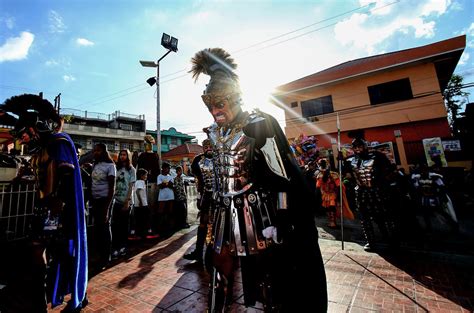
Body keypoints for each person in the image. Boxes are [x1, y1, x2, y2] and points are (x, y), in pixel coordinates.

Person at [190, 48, 327, 312]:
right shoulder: (215, 133)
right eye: (210, 104)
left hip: (259, 215)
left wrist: (283, 219)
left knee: (270, 282)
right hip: (222, 215)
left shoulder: (259, 123)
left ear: (235, 98)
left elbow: (283, 179)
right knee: (219, 274)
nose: (215, 110)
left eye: (220, 103)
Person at [0, 94, 88, 312]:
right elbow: (40, 176)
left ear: (35, 127)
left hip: (60, 209)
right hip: (44, 207)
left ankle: (77, 294)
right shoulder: (40, 150)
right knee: (42, 251)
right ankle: (43, 296)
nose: (22, 140)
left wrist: (59, 202)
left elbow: (67, 173)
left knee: (61, 253)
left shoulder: (59, 143)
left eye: (23, 134)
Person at [345, 130, 396, 251]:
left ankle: (392, 240)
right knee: (364, 218)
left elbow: (390, 171)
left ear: (365, 145)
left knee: (383, 217)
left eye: (360, 145)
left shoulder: (378, 156)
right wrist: (341, 163)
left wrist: (382, 182)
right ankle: (371, 241)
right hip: (361, 192)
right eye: (355, 146)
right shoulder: (350, 160)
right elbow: (348, 177)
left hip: (377, 191)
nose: (357, 148)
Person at [183, 139, 215, 264]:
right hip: (206, 195)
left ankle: (220, 252)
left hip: (221, 196)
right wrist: (198, 197)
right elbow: (198, 182)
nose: (208, 148)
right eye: (205, 146)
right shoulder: (198, 160)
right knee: (203, 223)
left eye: (210, 146)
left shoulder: (221, 158)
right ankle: (198, 252)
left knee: (220, 224)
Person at [90, 143, 116, 270]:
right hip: (95, 200)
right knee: (97, 228)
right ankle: (98, 255)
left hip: (106, 201)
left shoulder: (111, 166)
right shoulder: (95, 164)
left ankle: (106, 258)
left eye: (98, 151)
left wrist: (106, 208)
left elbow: (112, 188)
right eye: (94, 151)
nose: (95, 153)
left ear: (104, 152)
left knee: (105, 228)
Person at [111, 149, 136, 258]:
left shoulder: (131, 170)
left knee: (124, 226)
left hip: (126, 201)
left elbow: (131, 186)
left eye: (124, 154)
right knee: (115, 225)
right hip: (115, 200)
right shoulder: (116, 168)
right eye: (121, 154)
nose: (122, 156)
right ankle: (115, 248)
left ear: (128, 156)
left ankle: (123, 247)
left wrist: (127, 201)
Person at [316, 158, 354, 228]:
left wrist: (339, 196)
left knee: (331, 208)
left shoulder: (333, 174)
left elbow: (339, 186)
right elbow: (318, 187)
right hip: (325, 194)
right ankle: (331, 222)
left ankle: (333, 222)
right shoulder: (320, 175)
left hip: (332, 194)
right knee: (328, 208)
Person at [134, 168, 154, 239]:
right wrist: (140, 202)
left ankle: (140, 233)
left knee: (140, 219)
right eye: (145, 175)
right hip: (142, 204)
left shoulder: (138, 182)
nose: (146, 176)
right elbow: (137, 192)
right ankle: (143, 233)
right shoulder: (140, 182)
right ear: (141, 175)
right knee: (144, 219)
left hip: (141, 204)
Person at [156, 162, 175, 236]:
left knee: (169, 212)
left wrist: (165, 184)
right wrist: (167, 184)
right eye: (168, 168)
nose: (169, 170)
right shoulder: (159, 176)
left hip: (170, 196)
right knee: (161, 212)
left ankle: (169, 228)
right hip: (162, 197)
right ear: (163, 168)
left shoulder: (170, 176)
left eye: (169, 168)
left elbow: (172, 186)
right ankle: (160, 228)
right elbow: (160, 186)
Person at [174, 165, 190, 230]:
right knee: (181, 211)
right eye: (180, 171)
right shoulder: (176, 179)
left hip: (183, 196)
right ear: (177, 172)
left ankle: (184, 223)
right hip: (179, 198)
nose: (181, 172)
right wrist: (179, 196)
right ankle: (181, 224)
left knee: (184, 211)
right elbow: (177, 189)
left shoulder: (182, 178)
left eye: (181, 171)